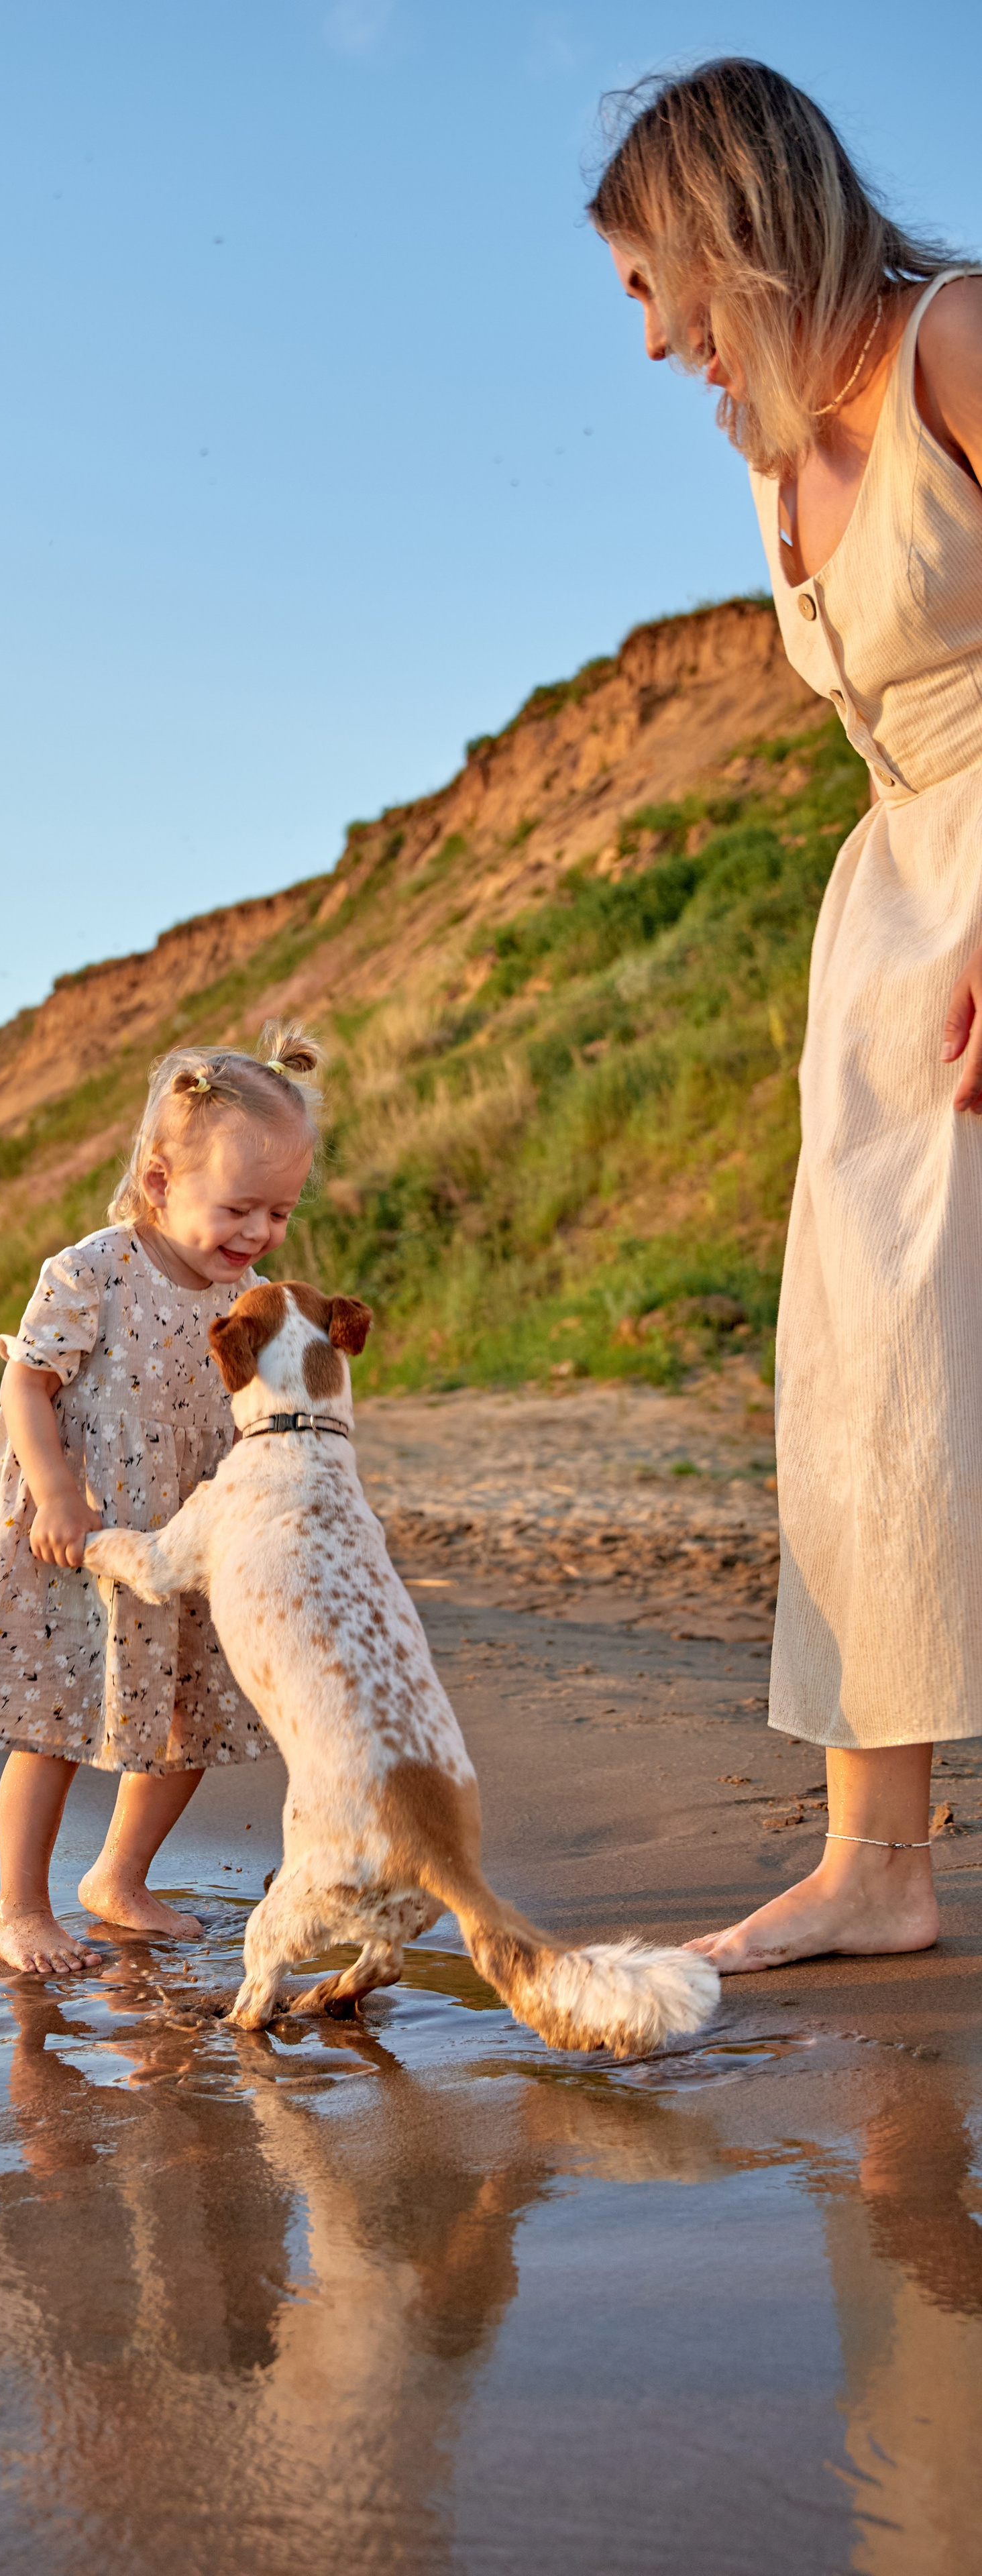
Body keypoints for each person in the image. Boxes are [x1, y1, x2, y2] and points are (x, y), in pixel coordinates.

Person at [589, 60, 982, 1971]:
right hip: (892, 901)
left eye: (648, 282)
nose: (651, 337)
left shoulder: (952, 343)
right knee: (865, 1368)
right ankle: (875, 1864)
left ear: (727, 231)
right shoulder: (764, 451)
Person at [0, 1024, 322, 1973]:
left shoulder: (253, 1299)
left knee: (192, 1718)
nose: (257, 1234)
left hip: (185, 1541)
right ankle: (18, 1909)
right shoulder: (93, 1272)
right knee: (55, 1722)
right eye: (238, 1208)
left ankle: (119, 1878)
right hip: (80, 1530)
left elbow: (266, 1414)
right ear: (160, 1181)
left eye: (278, 1213)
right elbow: (26, 1385)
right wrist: (57, 1494)